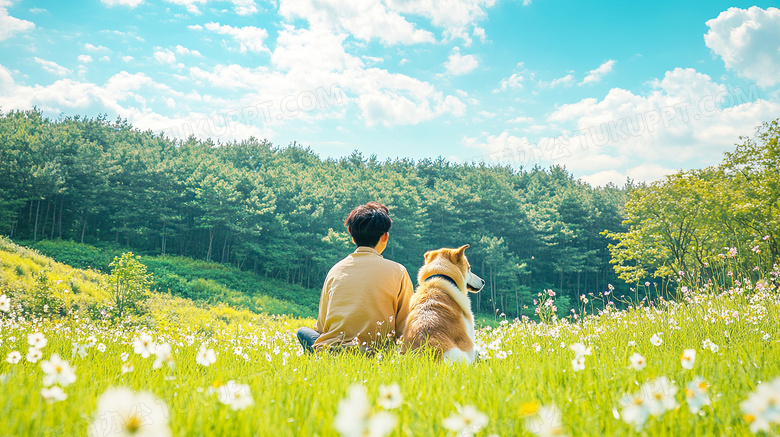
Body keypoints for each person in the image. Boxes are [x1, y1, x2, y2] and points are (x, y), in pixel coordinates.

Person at [297, 201, 413, 353]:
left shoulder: (335, 270)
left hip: (332, 350)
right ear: (385, 237)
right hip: (376, 352)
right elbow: (406, 324)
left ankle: (324, 354)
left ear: (352, 235)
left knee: (303, 332)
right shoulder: (398, 271)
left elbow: (321, 326)